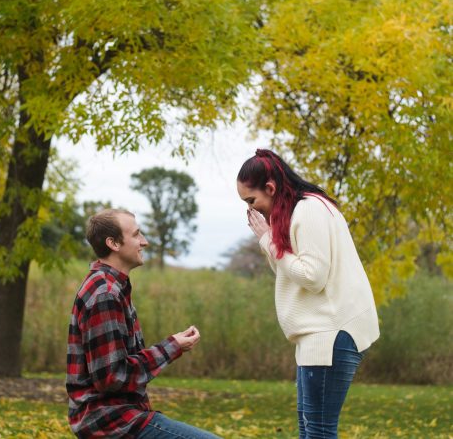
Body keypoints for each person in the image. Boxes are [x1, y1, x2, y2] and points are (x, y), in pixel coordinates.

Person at [237, 149, 379, 439]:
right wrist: (273, 238)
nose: (253, 210)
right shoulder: (296, 213)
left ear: (271, 188)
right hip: (316, 334)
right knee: (310, 430)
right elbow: (291, 273)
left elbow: (312, 277)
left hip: (330, 332)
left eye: (252, 201)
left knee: (318, 432)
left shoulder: (309, 209)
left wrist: (267, 239)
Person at [66, 208, 220, 439]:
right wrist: (172, 347)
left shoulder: (112, 287)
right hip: (111, 422)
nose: (144, 242)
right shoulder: (105, 293)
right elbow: (111, 377)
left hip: (123, 416)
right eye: (136, 235)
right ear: (113, 243)